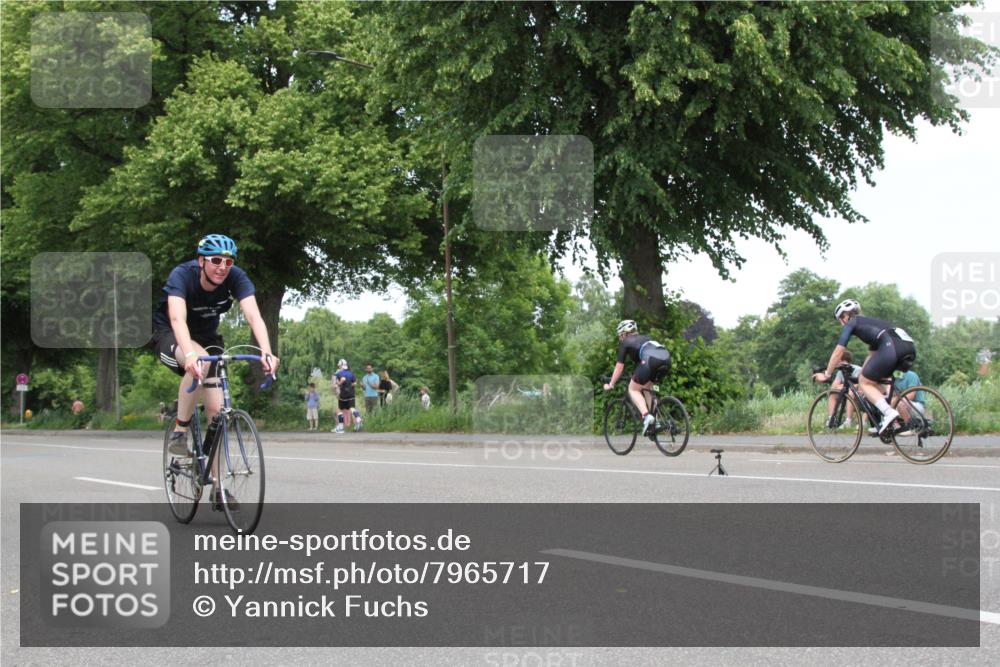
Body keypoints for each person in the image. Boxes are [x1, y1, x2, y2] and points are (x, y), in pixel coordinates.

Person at [151, 234, 279, 510]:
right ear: (201, 261)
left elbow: (254, 316)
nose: (223, 266)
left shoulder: (236, 278)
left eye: (228, 261)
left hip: (208, 339)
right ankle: (179, 432)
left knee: (218, 414)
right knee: (200, 360)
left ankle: (219, 488)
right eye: (216, 260)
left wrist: (266, 351)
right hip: (171, 334)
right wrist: (189, 354)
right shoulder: (182, 276)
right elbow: (177, 319)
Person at [813, 299, 916, 435]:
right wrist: (863, 373)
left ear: (845, 316)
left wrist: (827, 374)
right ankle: (892, 424)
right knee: (876, 380)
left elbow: (838, 352)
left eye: (840, 319)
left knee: (864, 383)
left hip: (891, 347)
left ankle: (889, 413)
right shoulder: (871, 325)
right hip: (907, 347)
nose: (841, 323)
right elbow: (873, 356)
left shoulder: (852, 323)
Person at [602, 319, 672, 435]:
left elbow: (619, 368)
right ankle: (657, 422)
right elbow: (640, 365)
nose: (620, 338)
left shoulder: (626, 342)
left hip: (651, 360)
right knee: (648, 388)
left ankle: (647, 417)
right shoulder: (646, 338)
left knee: (633, 389)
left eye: (620, 335)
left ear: (625, 334)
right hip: (666, 359)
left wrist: (611, 384)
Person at [826, 349, 862, 429]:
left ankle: (848, 421)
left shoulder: (857, 369)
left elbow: (858, 385)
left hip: (859, 395)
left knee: (851, 391)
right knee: (832, 394)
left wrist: (841, 386)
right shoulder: (840, 372)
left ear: (840, 360)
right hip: (847, 394)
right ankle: (832, 418)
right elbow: (833, 387)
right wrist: (840, 387)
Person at [332, 359, 362, 433]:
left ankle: (341, 427)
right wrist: (349, 386)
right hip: (351, 394)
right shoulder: (351, 373)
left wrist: (338, 384)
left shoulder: (339, 373)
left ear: (341, 366)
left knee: (339, 410)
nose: (338, 367)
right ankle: (358, 418)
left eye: (339, 366)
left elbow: (339, 382)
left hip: (343, 395)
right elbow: (354, 383)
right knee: (352, 408)